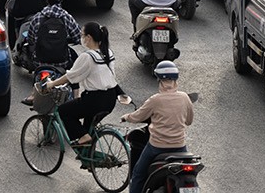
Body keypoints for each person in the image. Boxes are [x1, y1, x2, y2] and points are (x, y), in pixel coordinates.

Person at [40, 21, 122, 145]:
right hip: (110, 100)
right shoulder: (108, 53)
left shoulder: (87, 57)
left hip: (94, 100)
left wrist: (52, 84)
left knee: (63, 112)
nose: (81, 38)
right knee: (88, 128)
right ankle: (88, 158)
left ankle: (83, 137)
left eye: (83, 35)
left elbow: (70, 76)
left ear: (89, 37)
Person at [122, 60, 193, 193]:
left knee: (138, 174)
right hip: (180, 147)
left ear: (159, 80)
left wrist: (126, 117)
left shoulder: (155, 100)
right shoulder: (185, 98)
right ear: (176, 80)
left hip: (157, 147)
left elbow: (138, 116)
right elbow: (189, 121)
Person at [26, 0, 82, 68]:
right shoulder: (67, 17)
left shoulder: (37, 18)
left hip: (39, 63)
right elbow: (78, 37)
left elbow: (30, 39)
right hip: (63, 63)